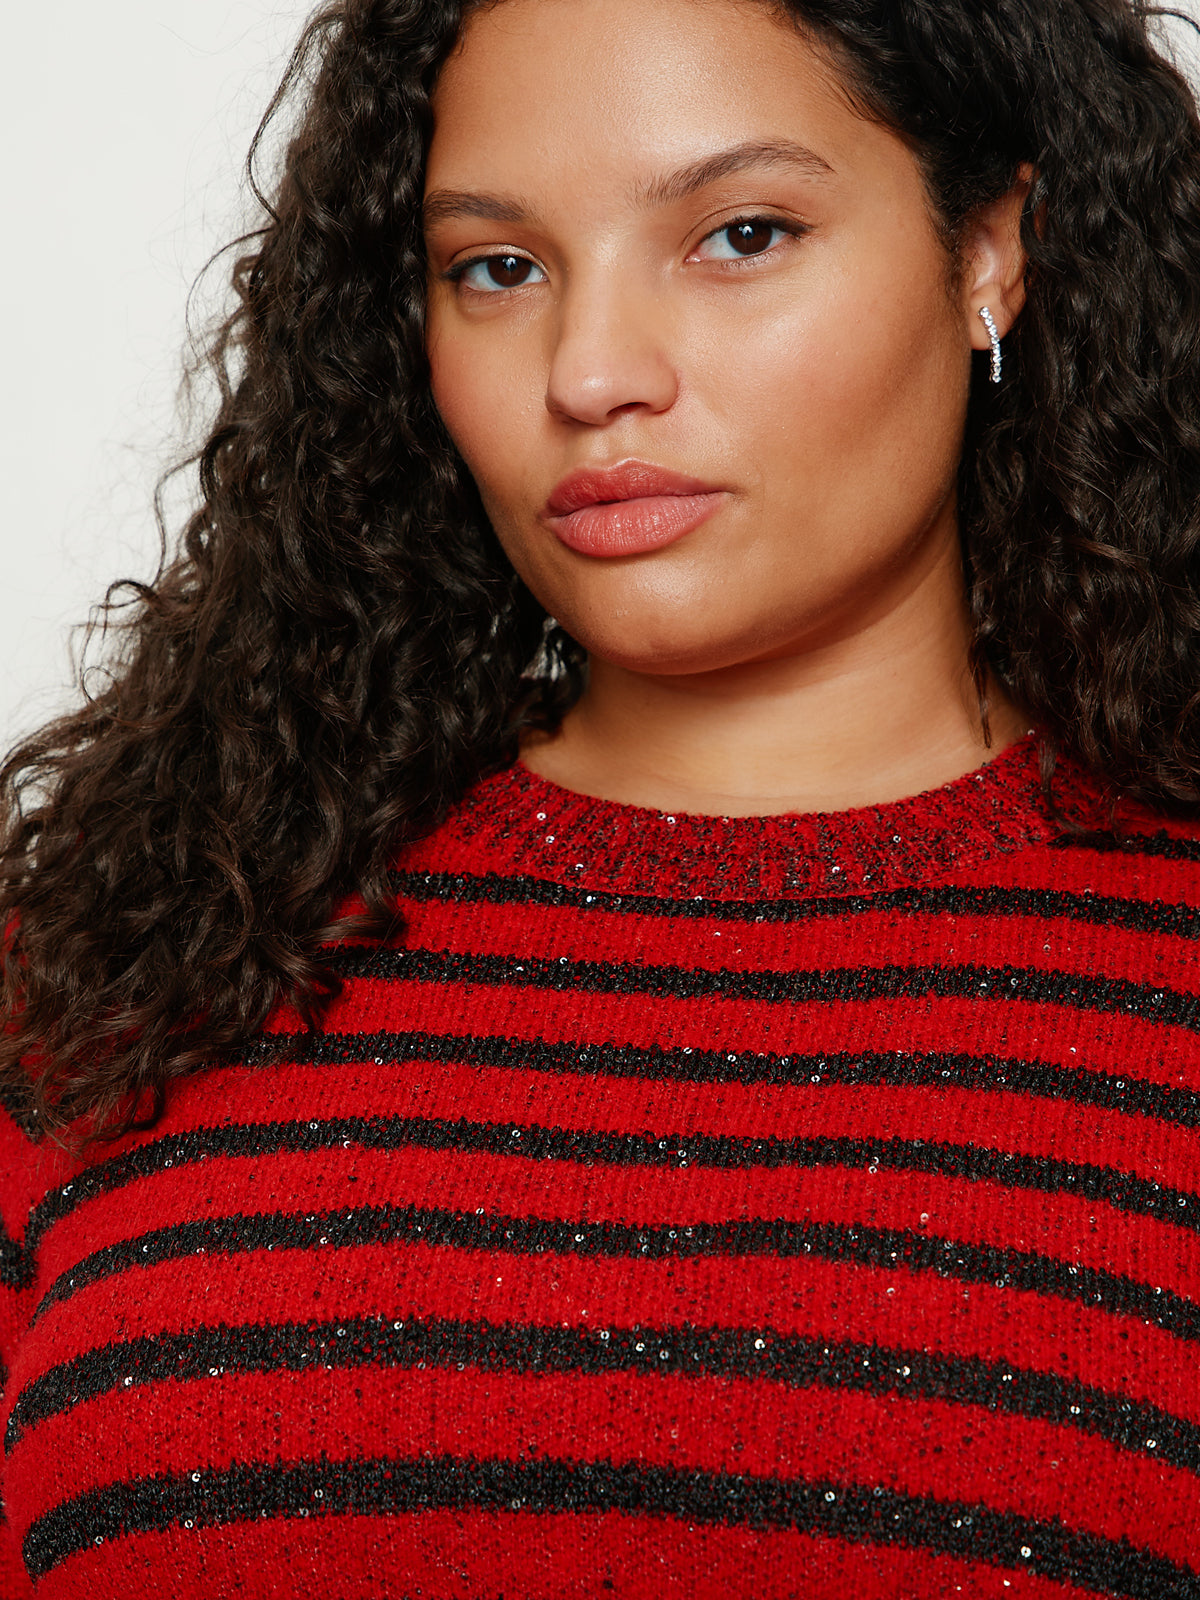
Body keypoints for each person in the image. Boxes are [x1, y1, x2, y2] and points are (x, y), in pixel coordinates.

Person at [2, 0, 1199, 1593]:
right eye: (496, 269)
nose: (592, 373)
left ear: (988, 251)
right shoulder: (128, 968)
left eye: (741, 234)